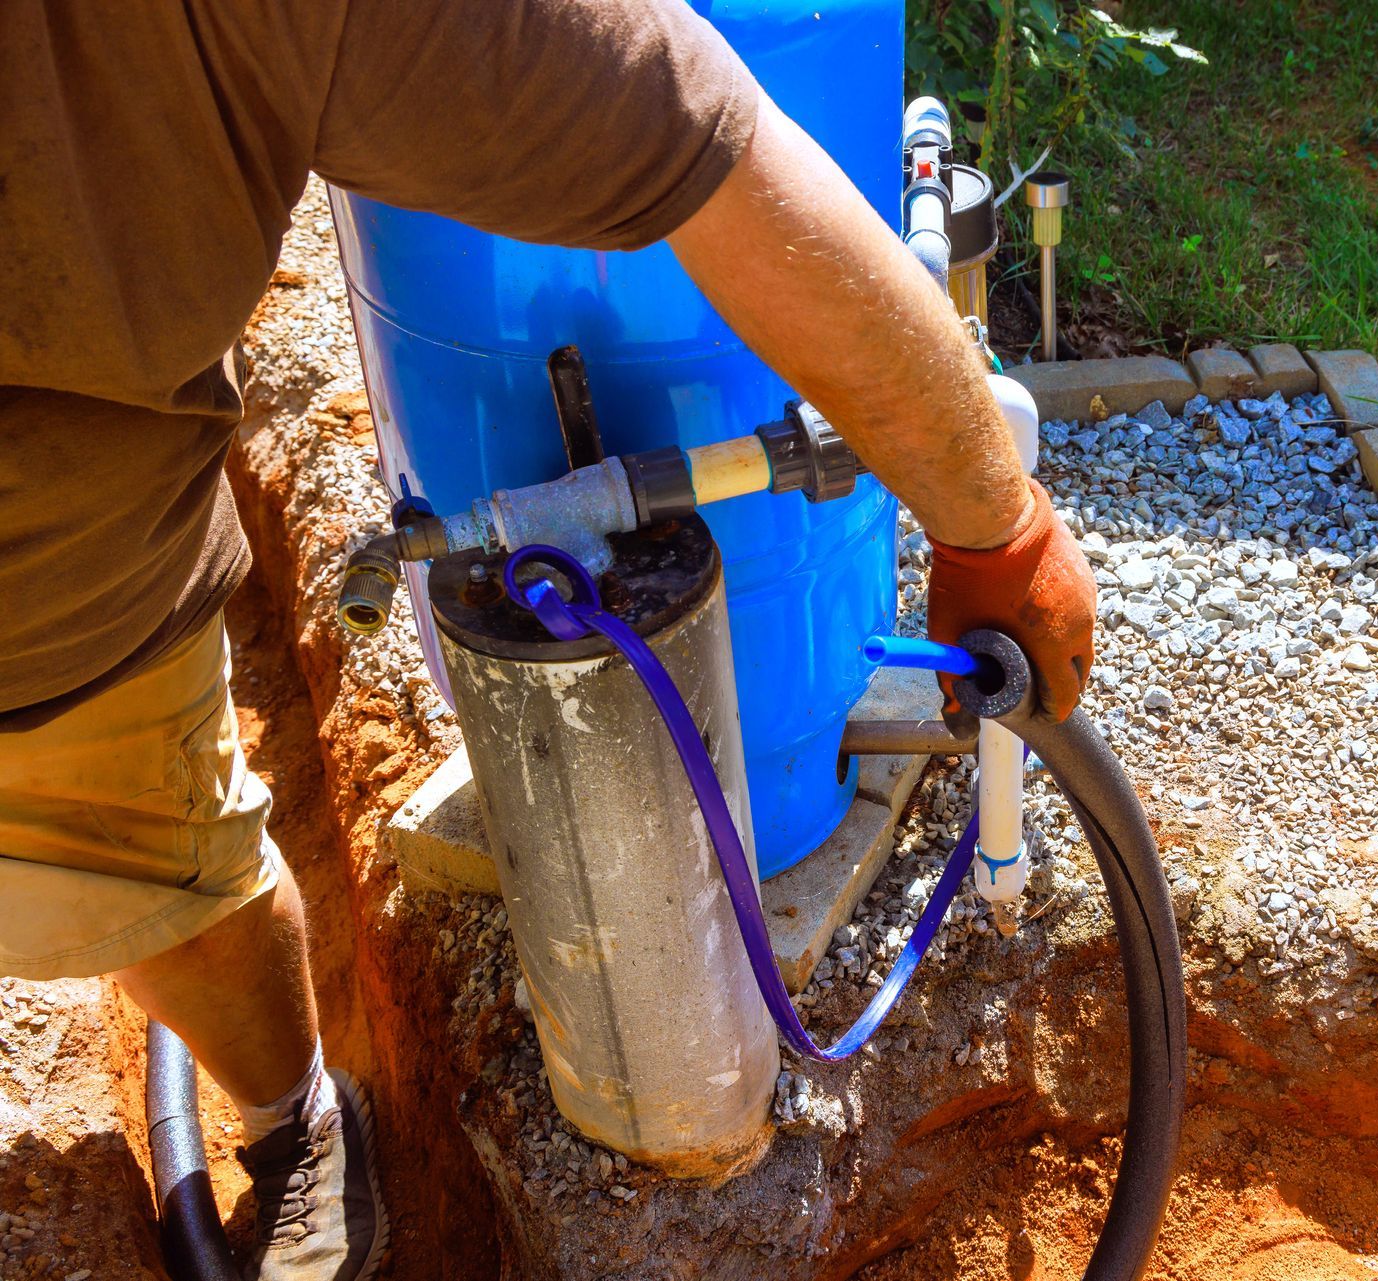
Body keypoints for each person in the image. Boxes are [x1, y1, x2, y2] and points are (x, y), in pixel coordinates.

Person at [0, 2, 1097, 1278]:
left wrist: (996, 526)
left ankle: (292, 1116)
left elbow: (708, 144)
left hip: (78, 620)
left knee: (170, 887)